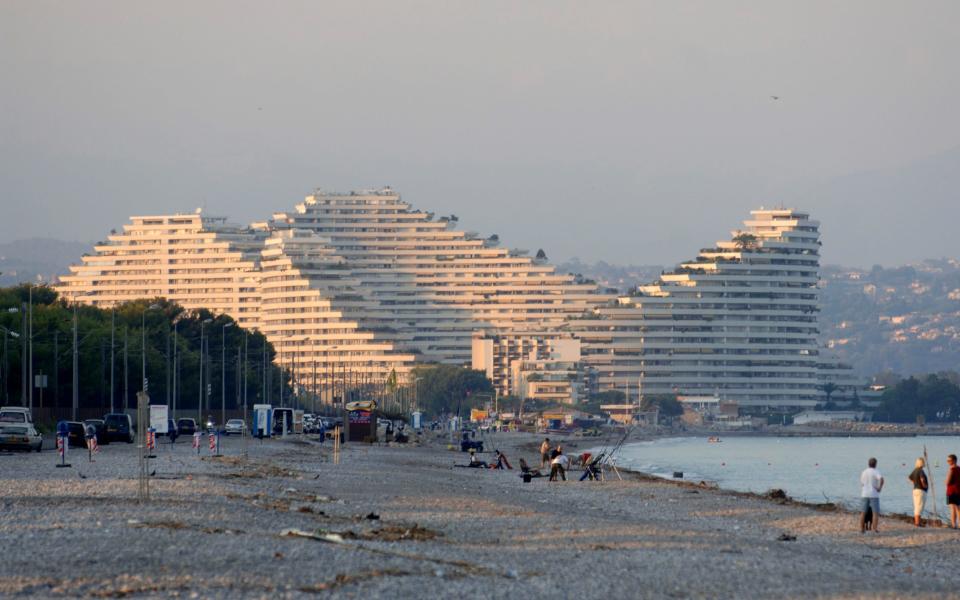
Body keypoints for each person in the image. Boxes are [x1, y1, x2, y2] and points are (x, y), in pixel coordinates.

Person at [859, 457, 884, 533]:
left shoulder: (864, 472)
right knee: (875, 512)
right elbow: (882, 479)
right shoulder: (876, 471)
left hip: (864, 493)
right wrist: (879, 488)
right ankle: (874, 528)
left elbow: (862, 483)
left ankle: (862, 529)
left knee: (863, 512)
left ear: (868, 464)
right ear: (875, 464)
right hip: (873, 494)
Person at [907, 457, 928, 527]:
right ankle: (917, 523)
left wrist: (915, 483)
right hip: (921, 490)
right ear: (922, 463)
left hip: (915, 489)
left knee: (916, 506)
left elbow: (909, 478)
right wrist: (924, 485)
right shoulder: (921, 470)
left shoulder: (915, 470)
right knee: (920, 507)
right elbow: (922, 478)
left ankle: (917, 522)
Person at [947, 454, 960, 528]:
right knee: (958, 508)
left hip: (951, 491)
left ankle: (953, 524)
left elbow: (947, 482)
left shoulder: (952, 469)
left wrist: (945, 481)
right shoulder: (959, 468)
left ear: (954, 460)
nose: (948, 462)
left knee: (952, 508)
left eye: (949, 460)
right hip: (958, 490)